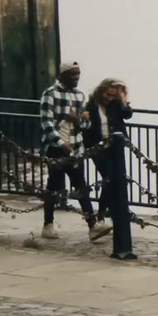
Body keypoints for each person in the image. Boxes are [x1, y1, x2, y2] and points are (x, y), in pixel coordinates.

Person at [38, 61, 99, 240]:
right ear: (63, 75)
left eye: (78, 74)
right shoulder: (50, 94)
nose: (76, 78)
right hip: (57, 148)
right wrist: (60, 143)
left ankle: (93, 225)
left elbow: (87, 124)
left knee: (81, 185)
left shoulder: (80, 96)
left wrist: (79, 119)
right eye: (73, 75)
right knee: (54, 186)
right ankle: (48, 224)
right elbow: (46, 122)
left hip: (76, 147)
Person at [81, 77, 131, 242]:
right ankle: (102, 216)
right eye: (107, 95)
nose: (109, 98)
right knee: (108, 177)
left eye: (113, 96)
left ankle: (112, 214)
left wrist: (122, 97)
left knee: (115, 179)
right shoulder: (91, 105)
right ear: (101, 91)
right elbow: (86, 127)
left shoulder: (116, 105)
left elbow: (127, 114)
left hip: (114, 146)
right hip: (97, 147)